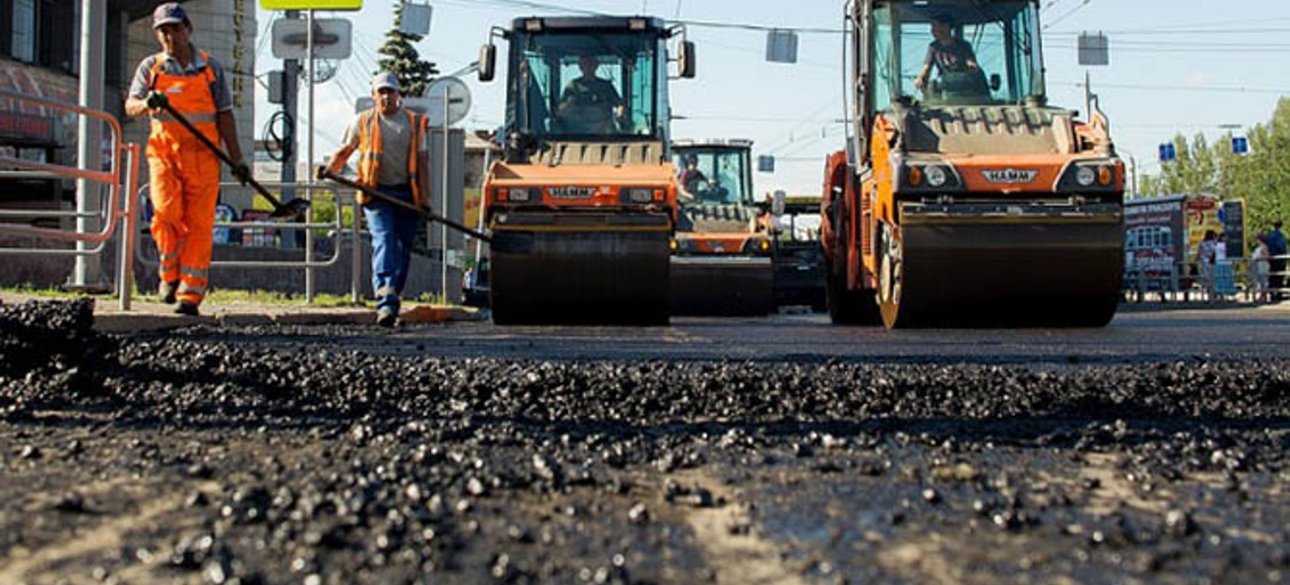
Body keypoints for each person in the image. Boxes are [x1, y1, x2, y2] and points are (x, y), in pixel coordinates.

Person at [125, 2, 248, 317]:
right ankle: (169, 275)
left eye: (175, 28)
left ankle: (190, 294)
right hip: (164, 154)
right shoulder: (151, 68)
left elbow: (225, 117)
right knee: (165, 215)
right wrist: (146, 104)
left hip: (204, 158)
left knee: (199, 226)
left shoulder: (211, 70)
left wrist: (238, 159)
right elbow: (130, 105)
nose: (169, 35)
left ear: (188, 29)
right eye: (163, 30)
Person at [320, 72, 430, 327]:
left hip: (407, 194)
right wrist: (330, 169)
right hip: (376, 193)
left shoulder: (413, 124)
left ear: (398, 94)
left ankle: (393, 296)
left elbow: (423, 162)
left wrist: (424, 198)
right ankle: (385, 302)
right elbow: (346, 149)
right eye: (381, 92)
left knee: (403, 250)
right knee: (384, 240)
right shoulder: (363, 121)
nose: (386, 96)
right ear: (373, 95)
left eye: (390, 91)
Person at [556, 54, 625, 134]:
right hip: (577, 135)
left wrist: (621, 111)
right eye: (585, 64)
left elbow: (619, 104)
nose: (588, 67)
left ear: (596, 65)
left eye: (591, 64)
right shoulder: (573, 86)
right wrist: (570, 103)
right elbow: (562, 111)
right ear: (580, 67)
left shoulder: (606, 86)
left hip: (604, 134)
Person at [913, 14, 981, 93]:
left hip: (965, 90)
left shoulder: (963, 46)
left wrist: (973, 68)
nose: (932, 31)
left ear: (946, 27)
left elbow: (971, 63)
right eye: (932, 27)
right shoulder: (933, 47)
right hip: (944, 88)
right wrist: (920, 78)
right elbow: (926, 67)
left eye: (936, 26)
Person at [1266, 219, 1286, 299]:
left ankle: (1271, 294)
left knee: (1272, 276)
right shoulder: (1280, 235)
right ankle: (1278, 294)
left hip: (1271, 258)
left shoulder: (1269, 235)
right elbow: (1281, 247)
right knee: (1279, 276)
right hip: (1279, 258)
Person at [1250, 232, 1272, 303]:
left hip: (1263, 266)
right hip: (1258, 266)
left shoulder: (1264, 247)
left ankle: (1264, 297)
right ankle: (1261, 297)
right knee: (1260, 282)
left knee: (1263, 282)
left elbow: (1267, 256)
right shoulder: (1259, 247)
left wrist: (1259, 258)